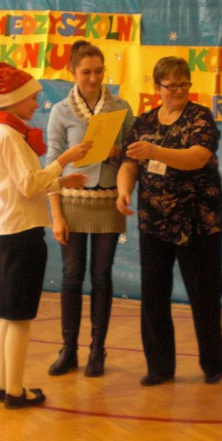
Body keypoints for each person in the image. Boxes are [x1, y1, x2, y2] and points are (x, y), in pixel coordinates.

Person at [0, 61, 91, 409]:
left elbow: (23, 185)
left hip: (11, 232)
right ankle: (16, 392)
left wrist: (60, 181)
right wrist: (63, 159)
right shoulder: (8, 136)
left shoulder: (7, 133)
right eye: (32, 98)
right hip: (21, 235)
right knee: (19, 318)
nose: (36, 104)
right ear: (14, 99)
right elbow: (29, 185)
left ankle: (5, 386)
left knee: (8, 316)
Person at [116, 56, 222, 386]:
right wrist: (123, 191)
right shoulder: (144, 122)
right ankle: (159, 367)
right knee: (153, 296)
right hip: (154, 221)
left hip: (198, 222)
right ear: (157, 87)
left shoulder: (200, 117)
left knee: (204, 296)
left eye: (183, 84)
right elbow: (129, 163)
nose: (178, 90)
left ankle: (213, 364)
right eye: (171, 85)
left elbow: (197, 158)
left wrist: (155, 151)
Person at [45, 40, 134, 377]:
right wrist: (56, 215)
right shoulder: (60, 111)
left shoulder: (121, 107)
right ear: (72, 72)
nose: (94, 78)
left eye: (99, 71)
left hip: (107, 202)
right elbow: (52, 163)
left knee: (101, 275)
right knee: (71, 275)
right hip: (71, 202)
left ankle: (98, 349)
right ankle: (68, 349)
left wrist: (118, 152)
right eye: (86, 72)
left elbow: (133, 158)